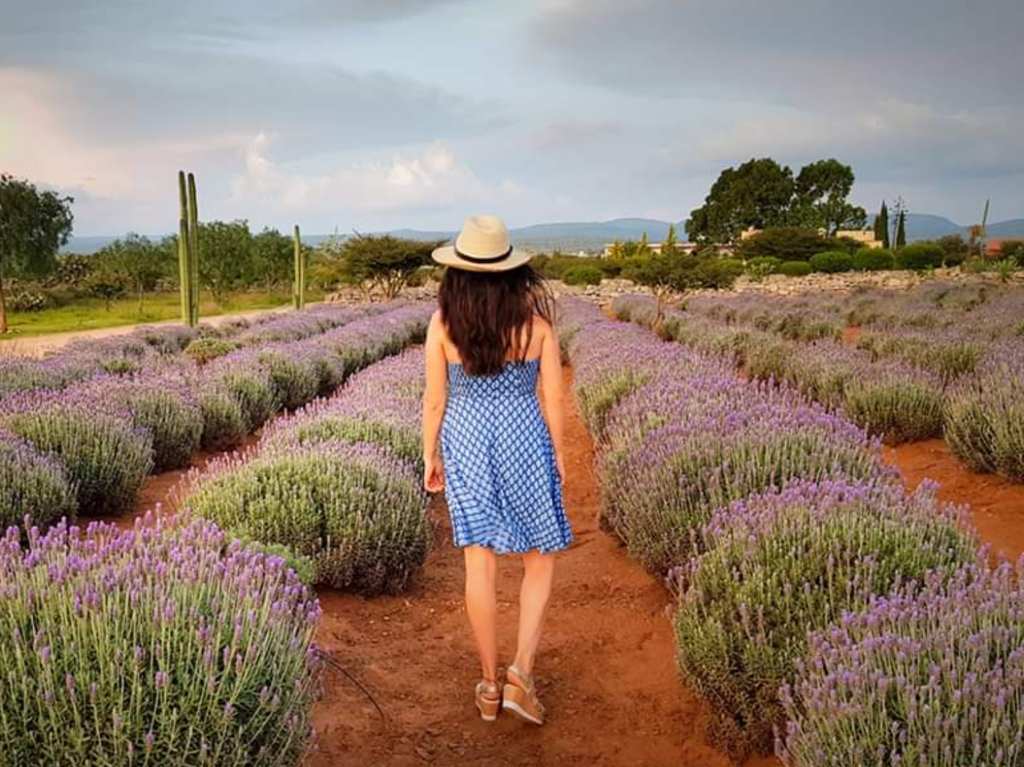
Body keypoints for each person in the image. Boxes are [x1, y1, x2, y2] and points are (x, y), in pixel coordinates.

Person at [421, 214, 573, 725]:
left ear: (457, 274)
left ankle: (488, 684)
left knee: (479, 564)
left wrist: (430, 455)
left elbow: (434, 401)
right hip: (524, 440)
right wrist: (558, 457)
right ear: (512, 273)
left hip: (466, 440)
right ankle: (520, 675)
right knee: (539, 558)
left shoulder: (443, 326)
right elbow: (553, 398)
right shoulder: (538, 328)